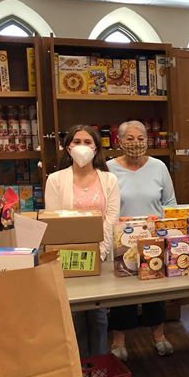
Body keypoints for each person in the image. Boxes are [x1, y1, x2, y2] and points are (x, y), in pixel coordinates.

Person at [45, 124, 120, 358]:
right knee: (75, 316)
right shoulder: (56, 180)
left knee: (99, 317)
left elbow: (111, 219)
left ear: (97, 148)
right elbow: (55, 221)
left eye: (88, 142)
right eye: (77, 142)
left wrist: (100, 251)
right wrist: (74, 252)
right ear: (68, 148)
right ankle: (78, 372)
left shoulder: (109, 180)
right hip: (69, 259)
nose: (82, 147)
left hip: (102, 256)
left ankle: (98, 369)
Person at [107, 120, 177, 362]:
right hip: (121, 240)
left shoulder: (159, 167)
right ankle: (118, 341)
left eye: (140, 138)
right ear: (119, 141)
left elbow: (169, 204)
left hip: (153, 238)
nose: (135, 143)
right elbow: (105, 205)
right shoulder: (108, 169)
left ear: (147, 140)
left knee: (154, 290)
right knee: (122, 293)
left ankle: (158, 337)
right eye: (129, 138)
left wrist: (162, 227)